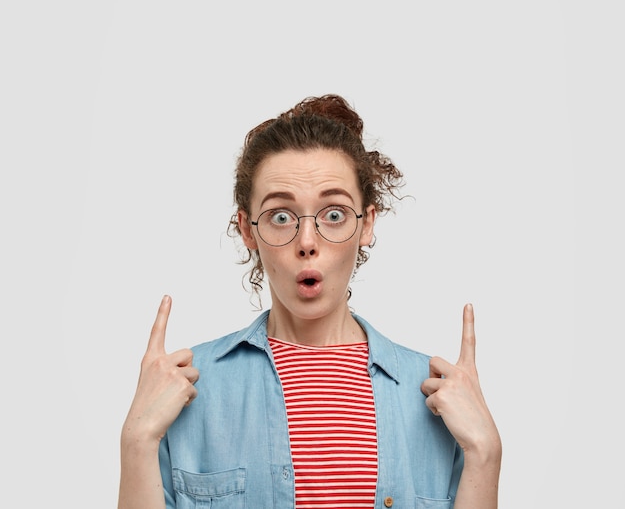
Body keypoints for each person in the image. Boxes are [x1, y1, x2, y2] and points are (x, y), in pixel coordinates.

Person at [117, 94, 502, 509]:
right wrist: (137, 442)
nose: (306, 242)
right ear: (247, 229)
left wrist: (486, 455)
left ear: (367, 223)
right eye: (280, 216)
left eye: (333, 214)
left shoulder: (435, 397)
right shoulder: (186, 388)